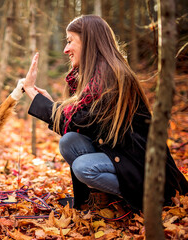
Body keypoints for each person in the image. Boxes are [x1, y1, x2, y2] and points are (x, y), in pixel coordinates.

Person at [21, 15, 188, 211]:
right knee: (70, 141)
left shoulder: (112, 78)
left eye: (70, 41)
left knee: (84, 167)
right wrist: (48, 104)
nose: (66, 49)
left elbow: (80, 119)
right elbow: (80, 121)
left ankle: (145, 197)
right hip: (118, 153)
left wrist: (33, 93)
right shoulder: (95, 77)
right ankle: (99, 199)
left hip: (142, 165)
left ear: (89, 41)